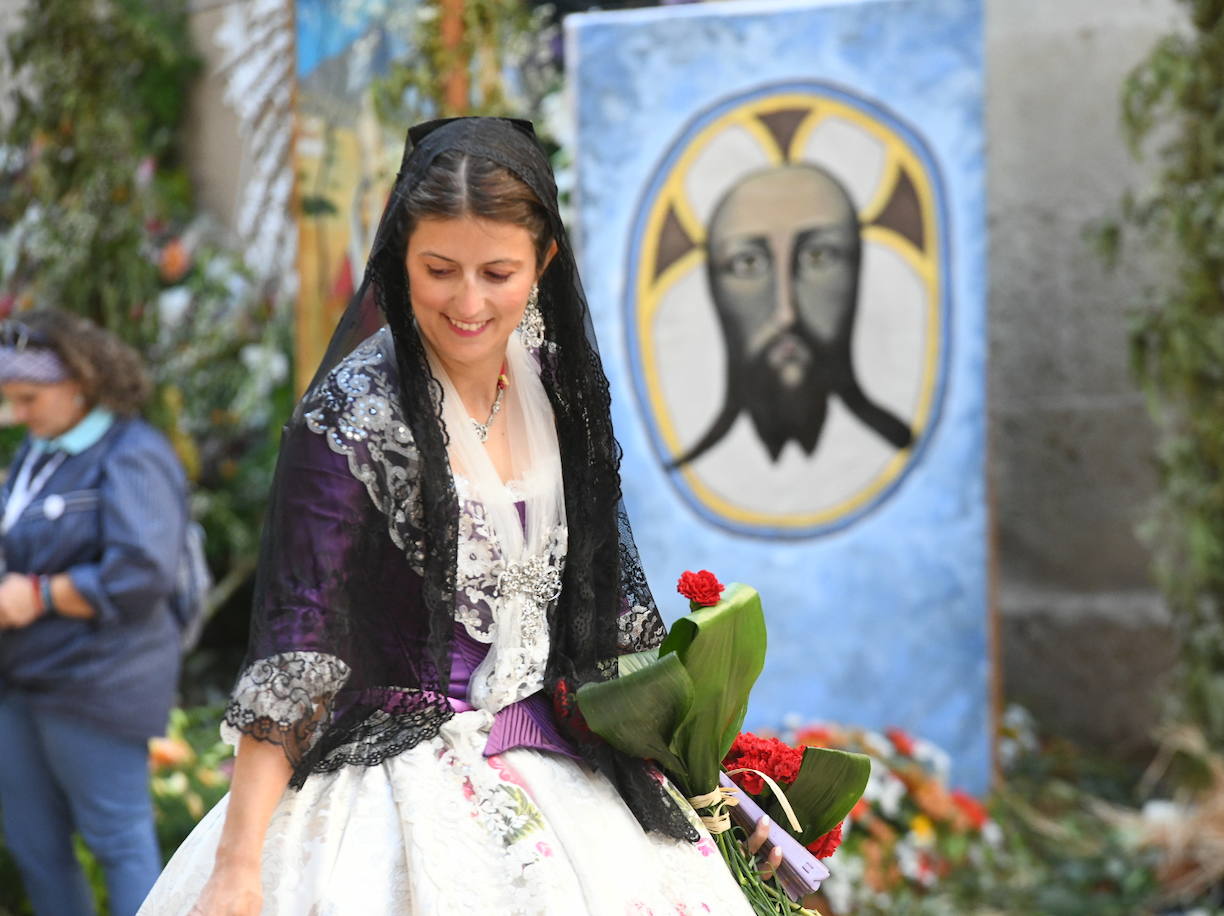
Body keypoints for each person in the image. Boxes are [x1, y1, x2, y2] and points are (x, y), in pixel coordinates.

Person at [140, 117, 777, 914]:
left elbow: (608, 617)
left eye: (498, 273)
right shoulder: (353, 418)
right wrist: (237, 867)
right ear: (398, 258)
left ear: (543, 262)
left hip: (567, 774)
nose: (469, 303)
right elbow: (296, 647)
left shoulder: (556, 388)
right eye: (439, 269)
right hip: (392, 790)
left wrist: (711, 788)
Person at [0, 309, 189, 916]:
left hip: (95, 680)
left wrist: (40, 595)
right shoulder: (41, 448)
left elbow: (142, 570)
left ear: (80, 382)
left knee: (117, 842)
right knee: (35, 846)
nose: (17, 413)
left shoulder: (133, 453)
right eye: (10, 398)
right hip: (22, 677)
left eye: (29, 397)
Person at [673, 162, 915, 467]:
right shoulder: (692, 473)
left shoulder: (904, 459)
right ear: (713, 287)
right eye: (747, 263)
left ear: (857, 272)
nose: (787, 313)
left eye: (819, 256)